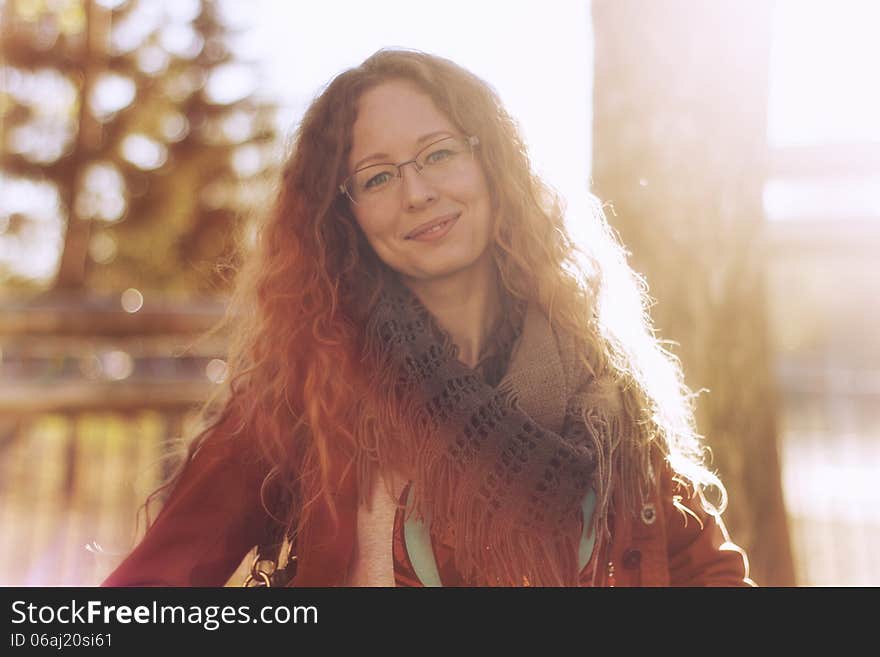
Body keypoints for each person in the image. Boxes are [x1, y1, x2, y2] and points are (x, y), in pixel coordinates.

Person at [102, 48, 754, 587]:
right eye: (378, 177)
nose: (417, 193)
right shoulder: (306, 391)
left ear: (493, 161)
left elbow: (708, 572)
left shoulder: (602, 387)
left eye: (439, 153)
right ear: (344, 213)